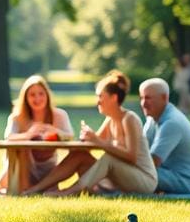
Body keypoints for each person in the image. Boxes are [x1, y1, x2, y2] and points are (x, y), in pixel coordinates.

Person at [25, 70, 157, 196]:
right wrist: (86, 138)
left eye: (100, 96)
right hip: (121, 179)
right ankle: (37, 189)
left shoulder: (129, 118)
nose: (97, 101)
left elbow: (131, 157)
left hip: (144, 181)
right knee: (80, 155)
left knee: (108, 159)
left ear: (113, 98)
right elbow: (92, 144)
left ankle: (68, 192)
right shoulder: (110, 120)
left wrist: (98, 141)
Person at [0, 75, 74, 191]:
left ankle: (36, 188)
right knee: (20, 151)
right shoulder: (17, 117)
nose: (37, 99)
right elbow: (8, 137)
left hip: (48, 168)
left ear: (47, 95)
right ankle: (25, 189)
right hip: (22, 167)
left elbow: (70, 136)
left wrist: (54, 130)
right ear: (25, 98)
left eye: (41, 94)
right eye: (32, 95)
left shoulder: (59, 115)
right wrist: (29, 134)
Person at [139, 78, 190, 194]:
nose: (143, 103)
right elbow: (141, 149)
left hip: (187, 182)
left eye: (148, 98)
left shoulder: (172, 122)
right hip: (168, 173)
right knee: (129, 170)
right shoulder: (152, 119)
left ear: (164, 98)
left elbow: (152, 162)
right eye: (142, 98)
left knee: (133, 172)